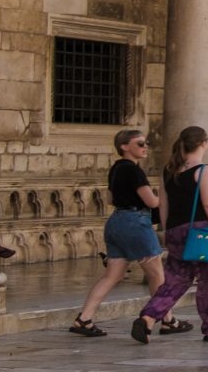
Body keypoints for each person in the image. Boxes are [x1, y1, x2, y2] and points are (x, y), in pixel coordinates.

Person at [68, 129, 188, 338]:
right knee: (156, 274)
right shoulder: (133, 170)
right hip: (135, 223)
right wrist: (166, 195)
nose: (145, 147)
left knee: (112, 275)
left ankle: (84, 318)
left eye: (146, 143)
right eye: (140, 144)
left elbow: (110, 199)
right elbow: (151, 202)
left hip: (116, 222)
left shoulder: (115, 169)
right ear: (124, 146)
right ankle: (167, 319)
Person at [130, 125, 208, 343]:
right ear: (203, 143)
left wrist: (168, 232)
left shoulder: (168, 171)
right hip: (201, 231)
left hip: (176, 230)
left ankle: (149, 317)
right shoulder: (204, 170)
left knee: (175, 280)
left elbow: (163, 206)